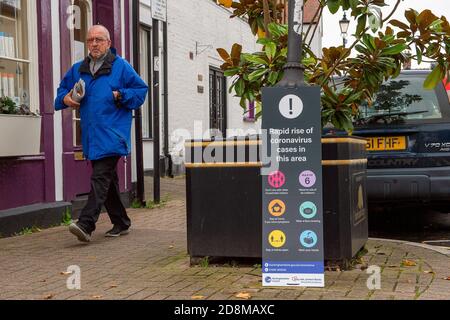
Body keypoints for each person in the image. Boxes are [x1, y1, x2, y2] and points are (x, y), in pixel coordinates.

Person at [54, 25, 148, 243]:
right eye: (90, 40)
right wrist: (66, 99)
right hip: (91, 137)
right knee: (108, 182)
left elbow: (140, 90)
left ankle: (86, 224)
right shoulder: (78, 69)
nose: (94, 44)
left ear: (108, 43)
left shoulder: (121, 67)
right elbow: (60, 92)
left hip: (113, 135)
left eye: (99, 39)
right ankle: (121, 222)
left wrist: (121, 94)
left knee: (99, 177)